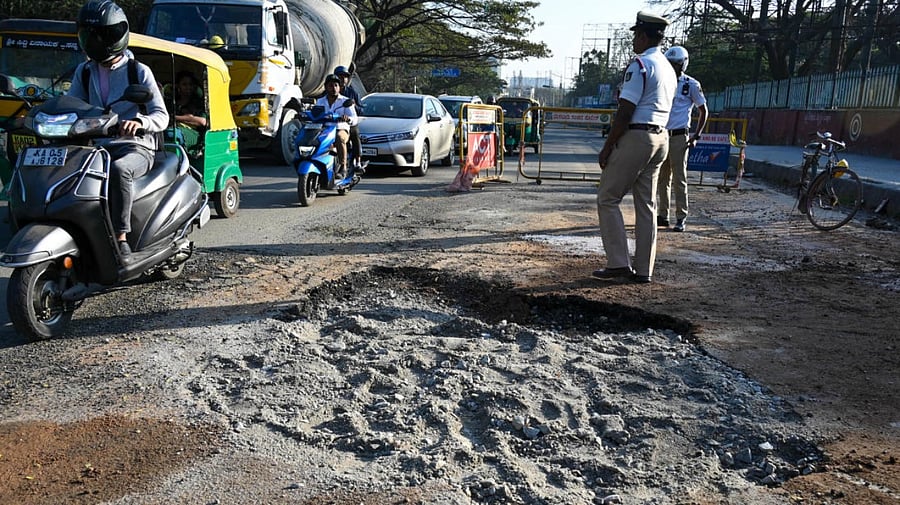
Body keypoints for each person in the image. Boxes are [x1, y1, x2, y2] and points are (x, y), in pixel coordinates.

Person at [68, 0, 169, 259]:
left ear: (115, 36)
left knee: (120, 169)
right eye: (88, 34)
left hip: (135, 147)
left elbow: (161, 116)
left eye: (100, 35)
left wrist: (140, 123)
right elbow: (72, 105)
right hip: (96, 147)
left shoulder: (138, 71)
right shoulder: (84, 71)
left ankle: (121, 236)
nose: (93, 41)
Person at [593, 11, 677, 284]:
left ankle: (618, 263)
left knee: (608, 198)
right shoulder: (668, 68)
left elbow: (625, 110)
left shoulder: (640, 64)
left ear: (642, 36)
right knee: (647, 206)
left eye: (635, 36)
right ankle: (644, 270)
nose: (633, 42)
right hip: (661, 138)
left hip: (638, 137)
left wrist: (608, 147)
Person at [658, 46, 708, 232]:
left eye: (676, 64)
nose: (672, 67)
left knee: (679, 178)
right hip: (662, 135)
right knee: (662, 178)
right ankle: (663, 215)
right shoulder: (662, 82)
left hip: (680, 136)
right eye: (669, 64)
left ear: (683, 64)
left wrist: (696, 135)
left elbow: (703, 110)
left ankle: (681, 217)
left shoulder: (691, 84)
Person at [315, 73, 358, 180]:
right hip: (324, 130)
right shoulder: (320, 101)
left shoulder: (345, 101)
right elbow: (315, 115)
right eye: (331, 85)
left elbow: (354, 118)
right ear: (326, 87)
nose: (333, 88)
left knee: (339, 137)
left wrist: (347, 119)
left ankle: (343, 167)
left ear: (339, 87)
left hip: (340, 129)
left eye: (336, 85)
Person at [167, 70, 208, 155]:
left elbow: (202, 121)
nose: (188, 87)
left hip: (193, 133)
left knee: (172, 133)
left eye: (190, 84)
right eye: (184, 84)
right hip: (173, 128)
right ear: (178, 86)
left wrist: (176, 118)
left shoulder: (198, 103)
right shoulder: (172, 102)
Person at [333, 64, 363, 173]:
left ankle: (357, 161)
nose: (342, 79)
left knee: (354, 132)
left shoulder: (352, 93)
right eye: (339, 76)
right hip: (331, 123)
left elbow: (361, 110)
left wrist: (354, 106)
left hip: (346, 124)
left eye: (345, 76)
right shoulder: (326, 93)